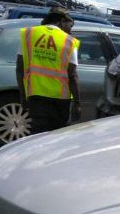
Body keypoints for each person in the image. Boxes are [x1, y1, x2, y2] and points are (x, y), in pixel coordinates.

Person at [16, 7, 81, 135]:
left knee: (37, 135)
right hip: (60, 100)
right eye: (70, 25)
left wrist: (23, 96)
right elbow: (72, 75)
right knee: (57, 138)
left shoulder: (29, 34)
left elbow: (20, 69)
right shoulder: (69, 41)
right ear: (62, 21)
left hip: (35, 96)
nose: (71, 29)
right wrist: (77, 104)